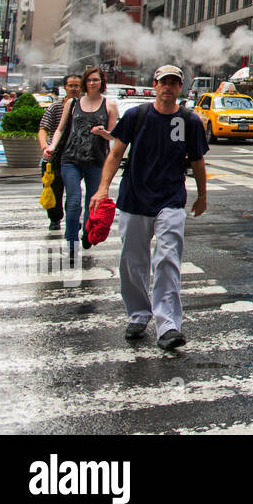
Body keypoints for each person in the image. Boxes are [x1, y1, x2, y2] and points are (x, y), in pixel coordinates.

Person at [91, 65, 208, 350]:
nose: (168, 87)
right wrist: (103, 188)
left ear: (180, 88)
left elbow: (197, 162)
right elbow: (116, 153)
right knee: (132, 260)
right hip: (134, 197)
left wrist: (202, 196)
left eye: (173, 83)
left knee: (168, 258)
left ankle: (168, 325)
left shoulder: (190, 121)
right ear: (154, 85)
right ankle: (139, 314)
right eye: (163, 82)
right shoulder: (136, 116)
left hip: (170, 199)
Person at [49, 67, 117, 259]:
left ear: (102, 83)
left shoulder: (110, 105)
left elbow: (113, 136)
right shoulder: (72, 103)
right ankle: (71, 241)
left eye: (96, 80)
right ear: (84, 83)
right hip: (71, 159)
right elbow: (61, 129)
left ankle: (87, 232)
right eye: (89, 80)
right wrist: (52, 147)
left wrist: (102, 133)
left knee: (92, 203)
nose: (92, 83)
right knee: (73, 202)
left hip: (97, 160)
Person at [38, 73, 84, 231]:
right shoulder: (56, 107)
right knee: (55, 190)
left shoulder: (85, 107)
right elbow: (43, 129)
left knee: (74, 191)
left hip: (75, 156)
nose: (73, 88)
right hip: (55, 156)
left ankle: (73, 218)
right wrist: (45, 146)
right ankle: (55, 218)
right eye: (70, 85)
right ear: (64, 87)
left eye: (77, 85)